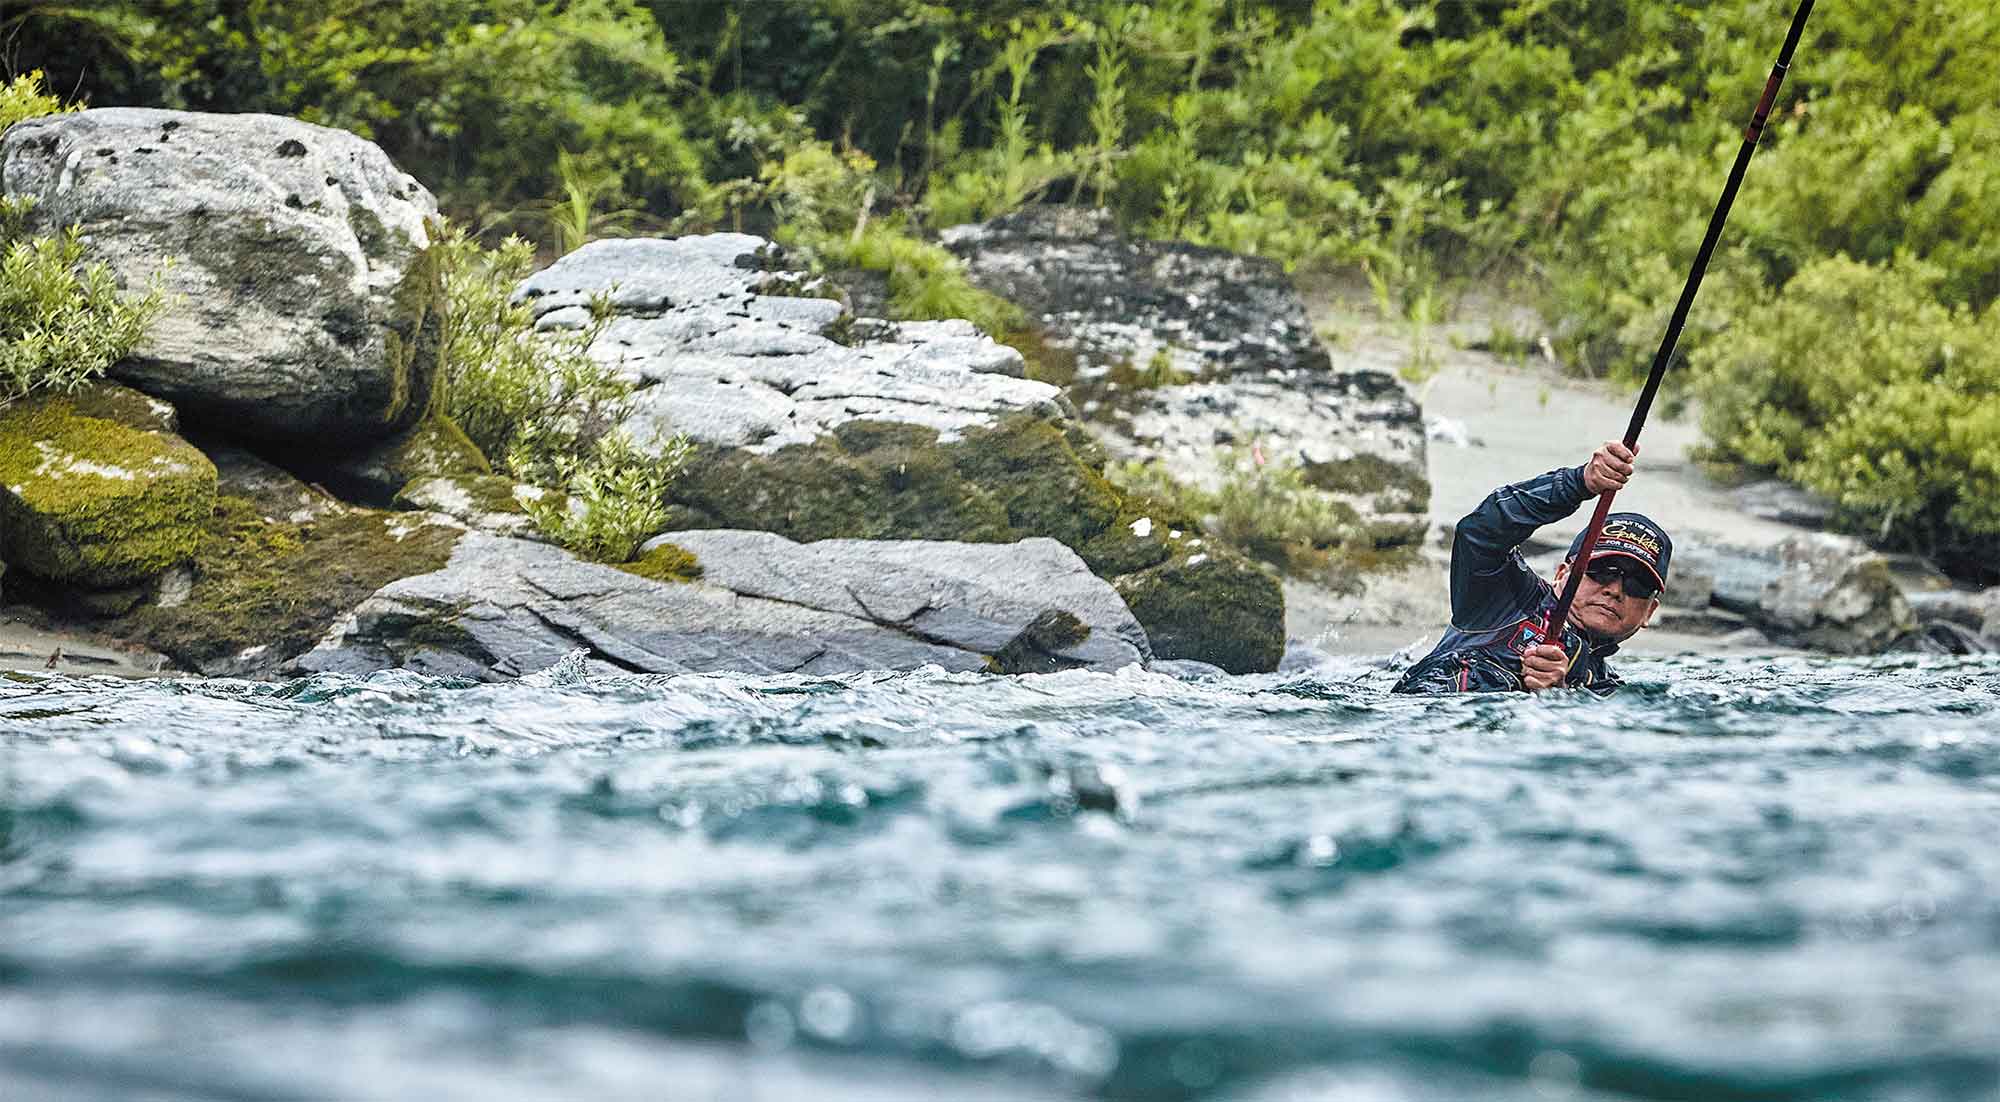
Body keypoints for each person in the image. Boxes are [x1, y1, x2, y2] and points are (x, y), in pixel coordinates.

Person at [1392, 441, 1671, 695]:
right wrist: (1578, 483)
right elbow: (1481, 531)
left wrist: (1559, 695)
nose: (1615, 590)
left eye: (1637, 584)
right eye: (1602, 571)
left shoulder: (1609, 692)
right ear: (1562, 574)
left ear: (1650, 611)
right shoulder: (1503, 596)